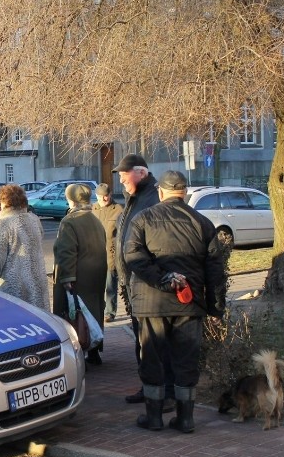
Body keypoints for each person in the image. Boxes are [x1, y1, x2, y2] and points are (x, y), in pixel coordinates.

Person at [124, 170, 226, 432]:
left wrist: (162, 279)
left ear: (161, 193)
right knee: (185, 361)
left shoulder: (143, 219)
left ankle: (154, 417)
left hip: (151, 302)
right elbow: (216, 269)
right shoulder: (202, 222)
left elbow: (133, 257)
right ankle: (185, 419)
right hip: (189, 303)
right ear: (185, 193)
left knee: (153, 359)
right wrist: (215, 306)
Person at [113, 154, 174, 409]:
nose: (120, 179)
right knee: (142, 341)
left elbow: (157, 244)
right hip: (132, 283)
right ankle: (148, 387)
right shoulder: (134, 198)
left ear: (141, 172)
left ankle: (166, 393)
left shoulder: (152, 199)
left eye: (123, 174)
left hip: (147, 285)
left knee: (157, 343)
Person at [52, 183, 107, 364]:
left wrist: (67, 277)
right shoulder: (95, 218)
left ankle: (80, 353)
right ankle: (94, 352)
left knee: (75, 315)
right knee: (94, 312)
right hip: (96, 275)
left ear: (71, 200)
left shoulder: (70, 221)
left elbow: (67, 251)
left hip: (78, 276)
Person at [0, 184, 50, 311]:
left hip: (14, 293)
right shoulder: (34, 219)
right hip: (38, 288)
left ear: (3, 202)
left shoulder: (2, 224)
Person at [92, 183, 123, 322]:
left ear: (110, 194)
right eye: (100, 197)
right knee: (96, 285)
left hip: (111, 254)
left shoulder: (118, 210)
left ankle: (110, 312)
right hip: (95, 255)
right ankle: (97, 309)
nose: (103, 199)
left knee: (110, 286)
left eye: (106, 196)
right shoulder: (93, 209)